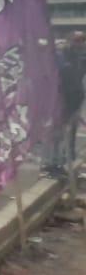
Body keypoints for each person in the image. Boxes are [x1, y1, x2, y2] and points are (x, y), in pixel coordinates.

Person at [49, 32, 86, 178]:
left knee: (71, 132)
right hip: (61, 99)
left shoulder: (79, 57)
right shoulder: (61, 56)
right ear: (69, 40)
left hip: (76, 99)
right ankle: (53, 163)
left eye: (82, 40)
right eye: (77, 40)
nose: (80, 43)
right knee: (58, 133)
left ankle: (68, 161)